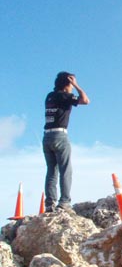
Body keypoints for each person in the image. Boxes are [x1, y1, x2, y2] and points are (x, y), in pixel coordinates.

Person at [43, 72, 90, 212]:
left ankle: (49, 205)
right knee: (65, 170)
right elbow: (85, 100)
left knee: (51, 171)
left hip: (46, 137)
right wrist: (76, 85)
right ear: (67, 83)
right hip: (60, 135)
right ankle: (64, 203)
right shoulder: (64, 96)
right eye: (71, 84)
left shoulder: (50, 96)